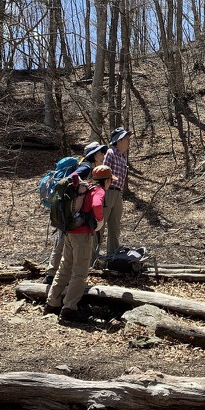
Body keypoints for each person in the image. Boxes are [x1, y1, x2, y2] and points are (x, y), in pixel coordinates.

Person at [44, 165, 110, 321]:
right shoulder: (98, 190)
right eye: (109, 181)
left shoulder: (83, 186)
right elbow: (96, 205)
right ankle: (69, 308)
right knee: (79, 273)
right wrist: (100, 221)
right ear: (106, 180)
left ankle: (51, 304)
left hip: (69, 233)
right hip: (83, 236)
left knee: (64, 267)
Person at [43, 142, 109, 284]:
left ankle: (55, 275)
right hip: (71, 212)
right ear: (94, 155)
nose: (103, 156)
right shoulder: (85, 167)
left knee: (63, 241)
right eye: (100, 153)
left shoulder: (88, 167)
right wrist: (82, 185)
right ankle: (51, 275)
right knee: (62, 242)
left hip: (72, 210)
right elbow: (71, 179)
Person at [102, 126, 131, 257]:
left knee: (115, 226)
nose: (128, 141)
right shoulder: (110, 153)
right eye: (126, 138)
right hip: (107, 191)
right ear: (118, 140)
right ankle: (92, 257)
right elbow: (105, 173)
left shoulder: (123, 157)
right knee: (100, 225)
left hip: (118, 193)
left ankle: (112, 256)